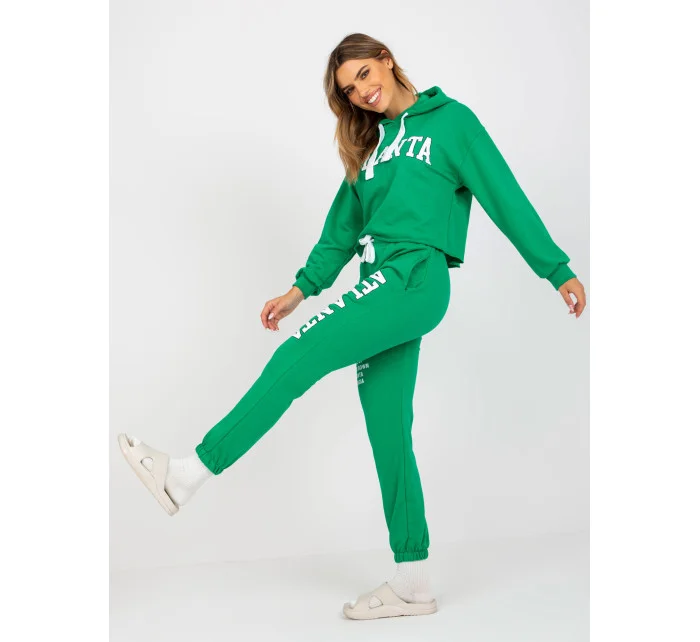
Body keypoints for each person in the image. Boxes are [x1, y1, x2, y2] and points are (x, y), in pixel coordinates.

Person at [117, 32, 587, 620]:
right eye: (348, 89)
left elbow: (503, 194)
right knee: (388, 430)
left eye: (365, 74)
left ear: (386, 60)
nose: (362, 92)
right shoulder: (369, 149)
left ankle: (188, 474)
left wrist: (556, 270)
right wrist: (299, 290)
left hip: (413, 277)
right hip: (377, 278)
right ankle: (413, 580)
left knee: (298, 355)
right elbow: (341, 231)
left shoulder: (451, 123)